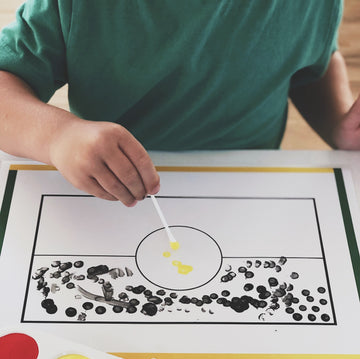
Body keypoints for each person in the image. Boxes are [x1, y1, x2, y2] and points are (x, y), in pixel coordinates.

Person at [0, 0, 359, 207]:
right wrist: (59, 136)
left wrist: (336, 125)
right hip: (113, 191)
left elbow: (312, 60)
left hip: (250, 189)